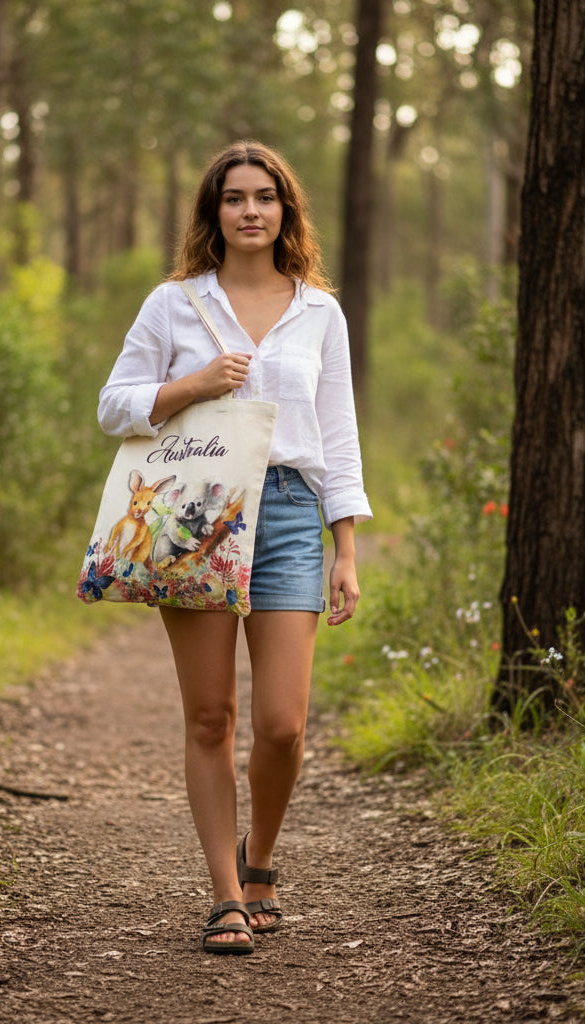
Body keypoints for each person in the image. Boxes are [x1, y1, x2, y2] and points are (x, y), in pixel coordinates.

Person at [97, 140, 372, 955]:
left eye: (265, 197)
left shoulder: (319, 312)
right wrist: (192, 384)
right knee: (211, 715)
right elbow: (113, 405)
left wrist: (345, 549)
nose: (251, 210)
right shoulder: (173, 304)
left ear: (286, 210)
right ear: (212, 213)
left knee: (283, 724)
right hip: (196, 513)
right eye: (234, 198)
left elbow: (339, 435)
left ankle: (262, 859)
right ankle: (225, 895)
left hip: (288, 510)